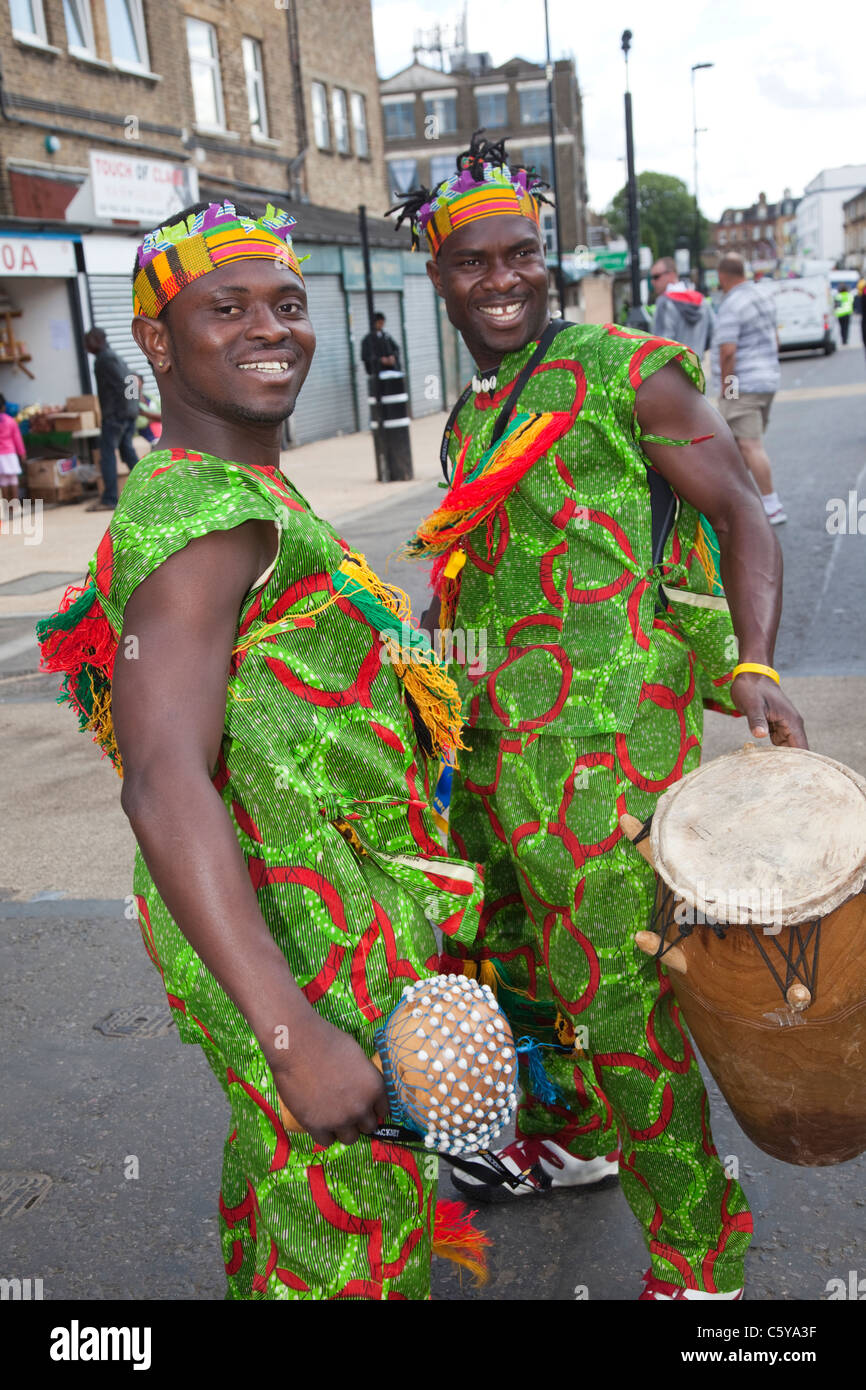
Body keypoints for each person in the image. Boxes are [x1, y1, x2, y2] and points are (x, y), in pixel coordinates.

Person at [37, 200, 483, 1300]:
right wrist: (291, 1033)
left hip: (327, 917)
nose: (269, 328)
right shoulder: (203, 516)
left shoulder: (245, 492)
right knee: (349, 1242)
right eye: (224, 308)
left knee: (293, 1201)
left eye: (286, 304)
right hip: (294, 949)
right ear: (155, 339)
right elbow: (161, 780)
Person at [392, 134, 808, 1300]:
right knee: (514, 971)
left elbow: (742, 510)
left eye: (522, 253)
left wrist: (755, 666)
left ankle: (695, 1260)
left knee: (627, 1009)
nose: (505, 278)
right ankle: (569, 1139)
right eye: (476, 262)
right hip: (491, 761)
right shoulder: (472, 417)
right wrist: (427, 684)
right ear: (439, 275)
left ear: (546, 255)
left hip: (606, 768)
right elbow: (481, 577)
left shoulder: (632, 371)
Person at [710, 254, 785, 525]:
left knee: (749, 445)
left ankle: (771, 504)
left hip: (743, 384)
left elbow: (728, 351)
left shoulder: (732, 305)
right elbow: (775, 339)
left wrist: (728, 388)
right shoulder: (762, 296)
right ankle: (739, 502)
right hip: (767, 380)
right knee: (738, 445)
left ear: (722, 276)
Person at [83, 326, 140, 512]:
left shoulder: (105, 360)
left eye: (88, 342)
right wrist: (132, 409)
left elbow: (127, 382)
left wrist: (124, 411)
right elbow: (132, 379)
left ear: (98, 340)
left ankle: (109, 498)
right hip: (125, 414)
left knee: (107, 455)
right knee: (127, 453)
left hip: (116, 416)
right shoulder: (113, 356)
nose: (86, 347)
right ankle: (152, 488)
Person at [650, 256, 715, 358]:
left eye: (656, 277)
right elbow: (713, 333)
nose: (652, 282)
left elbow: (661, 345)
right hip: (697, 368)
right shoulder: (702, 300)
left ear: (671, 274)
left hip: (673, 370)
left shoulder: (664, 303)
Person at [0, 393, 26, 501]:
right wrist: (22, 453)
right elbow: (17, 439)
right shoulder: (10, 421)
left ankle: (7, 507)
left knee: (3, 480)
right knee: (13, 479)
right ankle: (15, 506)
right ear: (4, 406)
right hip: (10, 453)